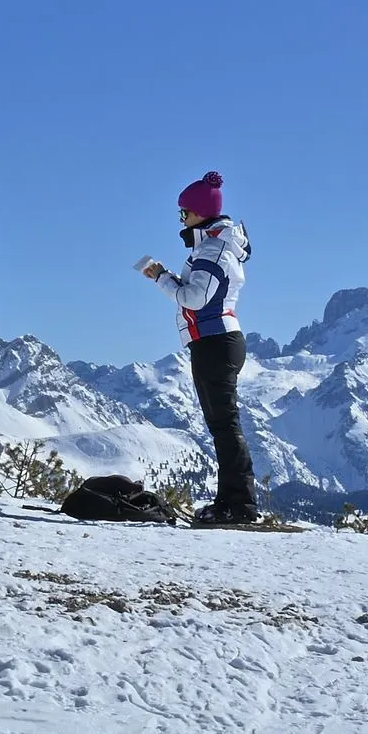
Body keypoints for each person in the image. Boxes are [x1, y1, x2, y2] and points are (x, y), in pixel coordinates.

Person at [139, 170, 259, 524]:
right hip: (215, 341)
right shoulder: (217, 245)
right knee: (222, 425)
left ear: (200, 213)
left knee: (225, 425)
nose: (180, 219)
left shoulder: (214, 249)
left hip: (215, 342)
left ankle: (239, 506)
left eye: (183, 213)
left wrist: (161, 278)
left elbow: (194, 298)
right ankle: (231, 503)